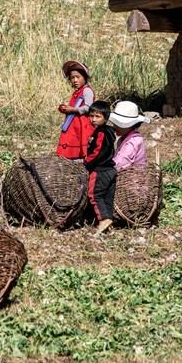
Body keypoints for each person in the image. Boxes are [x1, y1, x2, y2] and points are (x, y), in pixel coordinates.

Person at [83, 100, 117, 235]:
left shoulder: (101, 133)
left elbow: (97, 151)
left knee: (95, 194)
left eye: (98, 117)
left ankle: (103, 219)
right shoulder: (110, 132)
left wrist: (87, 162)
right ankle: (109, 219)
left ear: (106, 118)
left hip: (100, 170)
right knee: (107, 197)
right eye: (91, 116)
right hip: (111, 170)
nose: (93, 119)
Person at [56, 60, 94, 160]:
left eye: (78, 77)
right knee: (72, 140)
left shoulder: (87, 91)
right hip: (74, 124)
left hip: (82, 125)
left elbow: (88, 107)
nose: (75, 80)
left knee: (80, 142)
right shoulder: (77, 92)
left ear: (85, 77)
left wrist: (72, 110)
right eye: (72, 77)